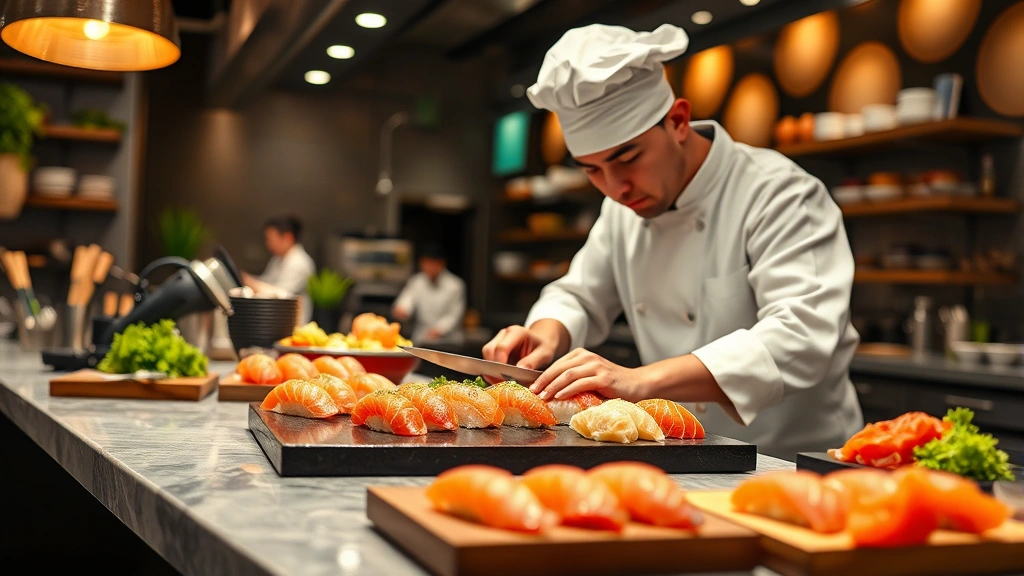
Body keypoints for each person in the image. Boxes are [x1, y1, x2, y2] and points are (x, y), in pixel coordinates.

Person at [482, 23, 863, 459]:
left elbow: (802, 336)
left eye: (628, 158)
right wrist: (542, 335)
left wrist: (640, 380)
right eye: (592, 170)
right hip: (686, 452)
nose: (615, 188)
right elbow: (581, 294)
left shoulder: (779, 192)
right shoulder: (624, 208)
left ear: (679, 121)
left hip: (795, 460)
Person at [242, 215, 316, 324]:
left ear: (287, 238)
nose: (268, 244)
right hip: (276, 320)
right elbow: (266, 281)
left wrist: (250, 282)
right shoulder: (277, 259)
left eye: (270, 239)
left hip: (294, 324)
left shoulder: (299, 262)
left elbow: (280, 294)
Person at [392, 244, 466, 343]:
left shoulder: (455, 285)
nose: (429, 267)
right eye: (426, 263)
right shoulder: (416, 281)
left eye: (432, 263)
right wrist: (402, 309)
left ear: (442, 264)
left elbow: (454, 315)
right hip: (422, 338)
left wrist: (439, 329)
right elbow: (407, 300)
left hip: (448, 341)